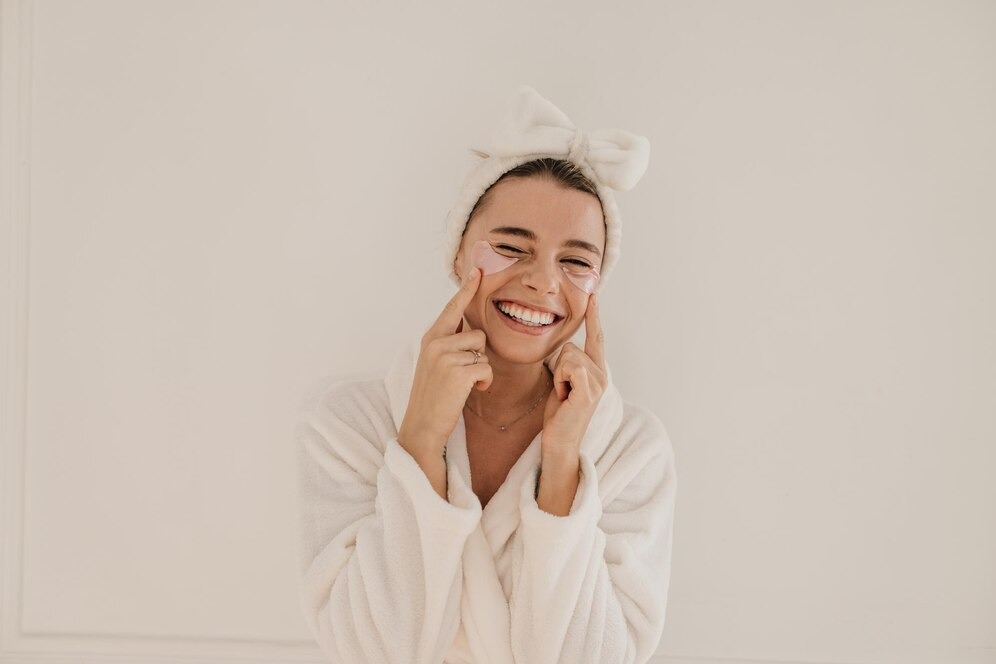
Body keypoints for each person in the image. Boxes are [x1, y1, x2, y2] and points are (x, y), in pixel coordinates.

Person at [295, 86, 677, 664]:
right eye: (511, 246)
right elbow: (374, 651)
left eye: (576, 261)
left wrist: (565, 464)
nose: (545, 282)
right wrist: (419, 441)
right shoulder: (347, 425)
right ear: (457, 254)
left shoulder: (632, 451)